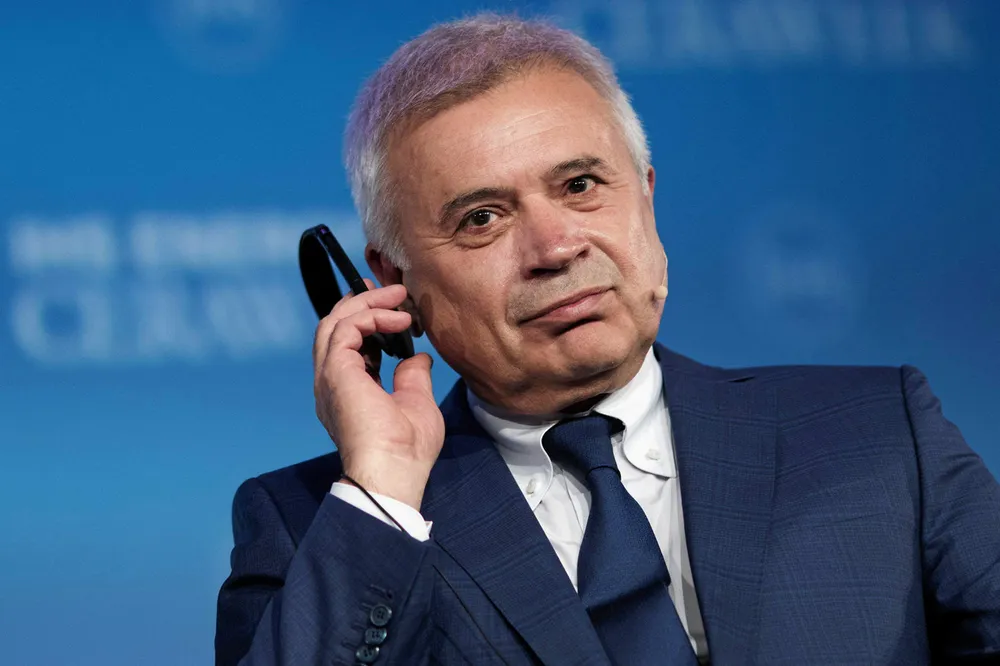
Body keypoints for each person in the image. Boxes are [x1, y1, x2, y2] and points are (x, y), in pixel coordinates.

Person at [215, 14, 1000, 666]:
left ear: (646, 199)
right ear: (393, 280)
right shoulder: (317, 524)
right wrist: (386, 488)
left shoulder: (879, 432)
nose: (556, 247)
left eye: (581, 186)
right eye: (482, 218)